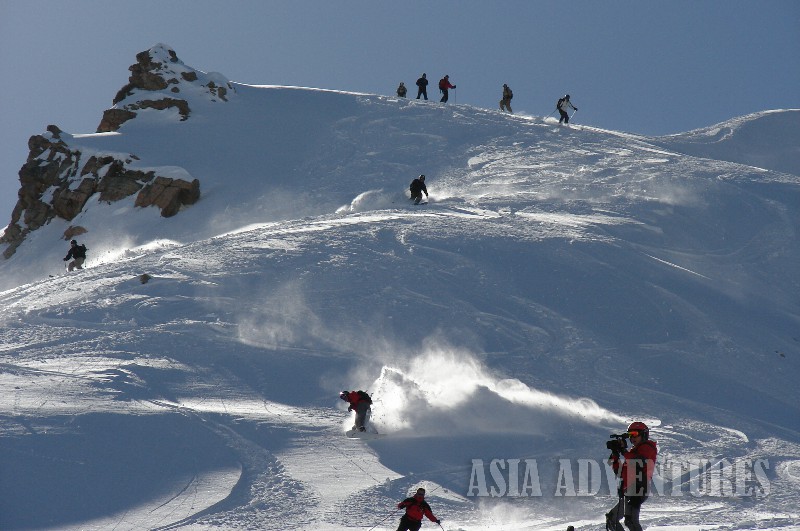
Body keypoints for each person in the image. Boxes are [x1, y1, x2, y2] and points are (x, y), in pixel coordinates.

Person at [605, 421, 658, 531]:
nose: (632, 438)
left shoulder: (648, 447)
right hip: (628, 489)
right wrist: (615, 455)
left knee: (631, 520)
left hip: (639, 487)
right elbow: (620, 472)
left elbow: (639, 461)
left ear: (643, 434)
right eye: (630, 435)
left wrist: (623, 451)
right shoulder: (633, 452)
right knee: (612, 519)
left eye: (635, 434)